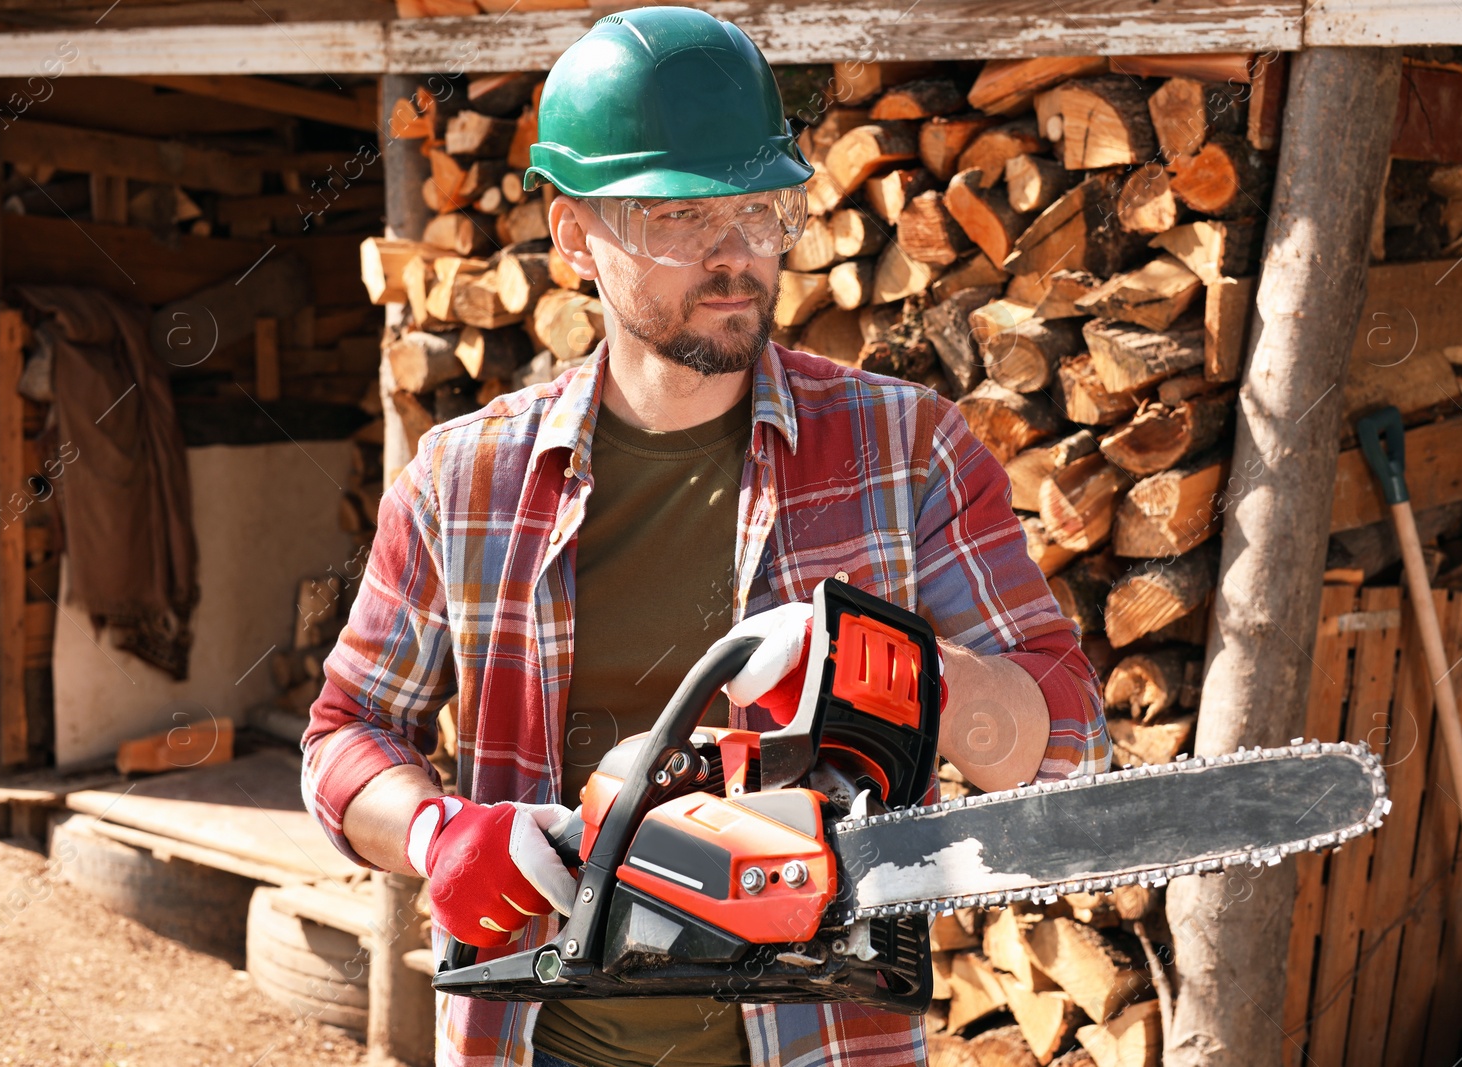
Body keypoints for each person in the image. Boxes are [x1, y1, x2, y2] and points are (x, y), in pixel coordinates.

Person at [302, 7, 1110, 1066]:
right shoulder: (465, 480)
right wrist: (434, 831)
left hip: (821, 1040)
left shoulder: (906, 450)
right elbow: (344, 732)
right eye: (683, 218)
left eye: (760, 208)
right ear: (576, 238)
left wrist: (906, 673)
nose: (735, 255)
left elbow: (1067, 741)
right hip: (536, 1042)